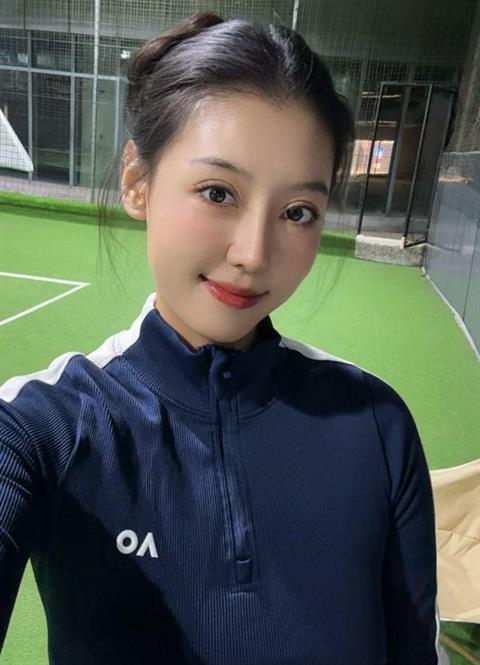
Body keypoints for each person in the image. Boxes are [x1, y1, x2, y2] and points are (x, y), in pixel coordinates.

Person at [0, 10, 449, 665]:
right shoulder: (46, 426)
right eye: (218, 192)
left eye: (298, 211)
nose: (253, 253)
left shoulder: (374, 423)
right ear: (137, 183)